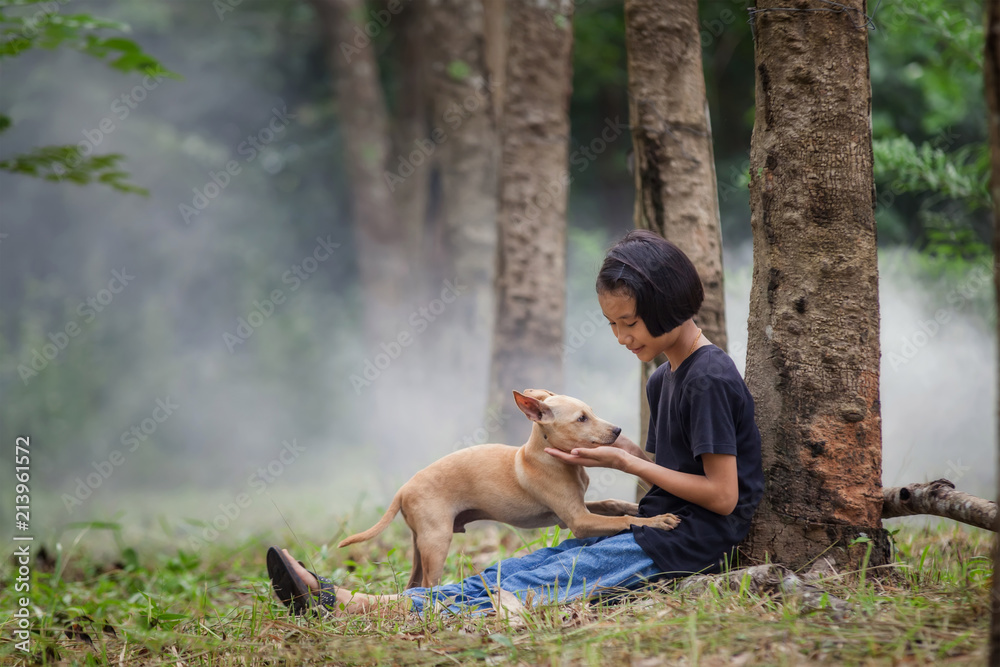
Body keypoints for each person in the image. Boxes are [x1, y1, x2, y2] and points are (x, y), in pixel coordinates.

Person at [267, 229, 764, 617]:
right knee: (527, 565)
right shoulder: (664, 380)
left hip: (690, 542)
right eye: (611, 324)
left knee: (536, 581)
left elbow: (721, 496)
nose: (620, 337)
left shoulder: (708, 378)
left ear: (668, 305)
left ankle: (351, 604)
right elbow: (678, 469)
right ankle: (375, 602)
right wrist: (629, 453)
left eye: (629, 323)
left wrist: (625, 465)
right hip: (651, 530)